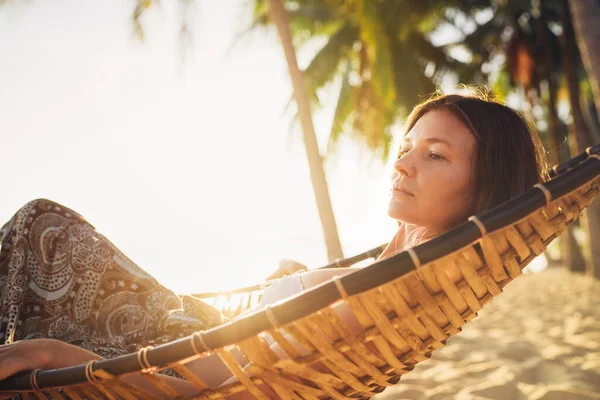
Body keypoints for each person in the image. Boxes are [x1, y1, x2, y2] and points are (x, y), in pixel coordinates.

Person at [0, 91, 548, 399]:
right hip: (189, 326)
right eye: (407, 146)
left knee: (44, 226)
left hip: (162, 348)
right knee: (45, 225)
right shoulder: (394, 283)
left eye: (435, 155)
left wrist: (48, 354)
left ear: (483, 189)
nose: (402, 163)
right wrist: (288, 280)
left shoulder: (366, 300)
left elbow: (196, 389)